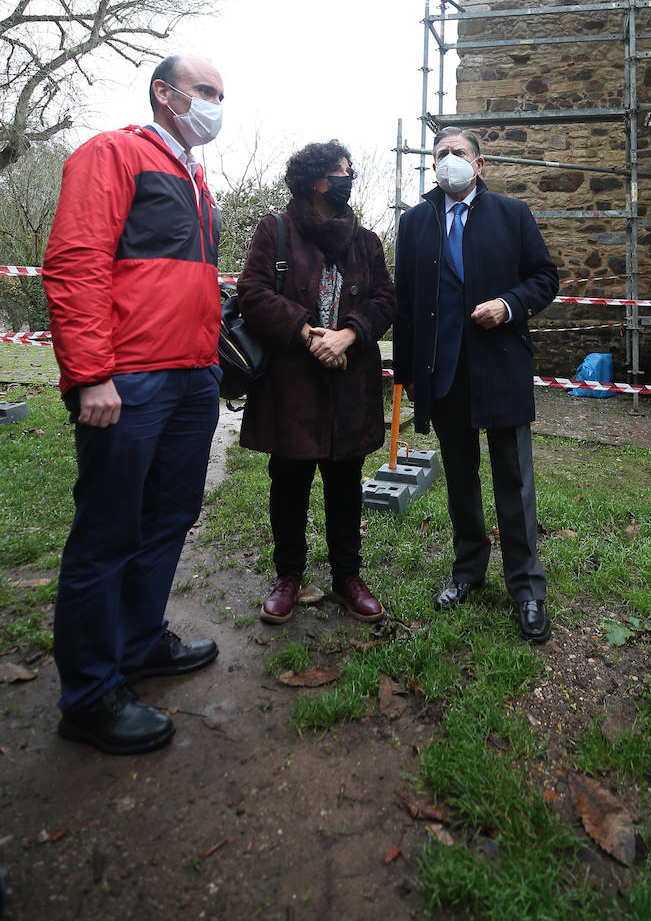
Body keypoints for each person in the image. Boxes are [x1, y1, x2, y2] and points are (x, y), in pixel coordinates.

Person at [43, 55, 226, 755]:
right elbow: (77, 261)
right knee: (108, 532)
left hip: (191, 378)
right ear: (164, 92)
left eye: (220, 94)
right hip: (130, 380)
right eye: (205, 91)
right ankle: (89, 695)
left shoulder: (196, 179)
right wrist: (91, 374)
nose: (214, 103)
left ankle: (139, 641)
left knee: (169, 517)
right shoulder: (112, 152)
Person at [393, 128, 559, 643]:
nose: (447, 160)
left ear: (479, 164)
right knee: (461, 480)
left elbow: (544, 278)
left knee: (513, 479)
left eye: (458, 153)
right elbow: (404, 303)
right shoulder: (416, 222)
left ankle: (527, 588)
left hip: (500, 366)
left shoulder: (512, 214)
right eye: (439, 153)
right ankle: (467, 571)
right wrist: (407, 372)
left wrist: (508, 305)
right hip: (443, 375)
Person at [237, 141, 395, 625]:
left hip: (350, 389)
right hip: (292, 388)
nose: (348, 178)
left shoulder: (365, 241)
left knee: (346, 484)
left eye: (349, 170)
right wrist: (307, 333)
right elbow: (252, 293)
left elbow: (387, 299)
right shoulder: (276, 230)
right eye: (339, 172)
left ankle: (348, 576)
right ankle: (288, 576)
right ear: (314, 180)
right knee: (288, 482)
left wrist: (349, 334)